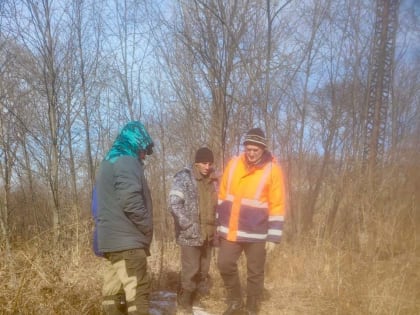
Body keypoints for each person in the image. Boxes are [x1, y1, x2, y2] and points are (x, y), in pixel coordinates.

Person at [216, 128, 286, 315]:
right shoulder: (233, 164)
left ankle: (252, 308)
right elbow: (222, 195)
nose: (251, 153)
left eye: (255, 149)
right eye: (248, 148)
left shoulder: (273, 170)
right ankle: (235, 301)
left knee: (255, 273)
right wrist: (219, 221)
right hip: (232, 229)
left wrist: (273, 236)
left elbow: (277, 203)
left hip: (257, 231)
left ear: (263, 149)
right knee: (224, 263)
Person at [93, 121, 154, 315]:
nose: (144, 155)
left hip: (111, 243)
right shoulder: (127, 160)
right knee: (138, 295)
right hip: (128, 243)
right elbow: (130, 200)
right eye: (143, 150)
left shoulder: (108, 161)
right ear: (136, 143)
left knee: (113, 296)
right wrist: (147, 226)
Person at [168, 147, 218, 312]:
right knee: (190, 271)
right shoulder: (184, 177)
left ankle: (194, 299)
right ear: (196, 163)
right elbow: (174, 203)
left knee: (203, 271)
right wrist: (187, 224)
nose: (207, 166)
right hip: (189, 235)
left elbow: (219, 206)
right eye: (204, 162)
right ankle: (184, 302)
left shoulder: (214, 180)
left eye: (210, 163)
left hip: (208, 235)